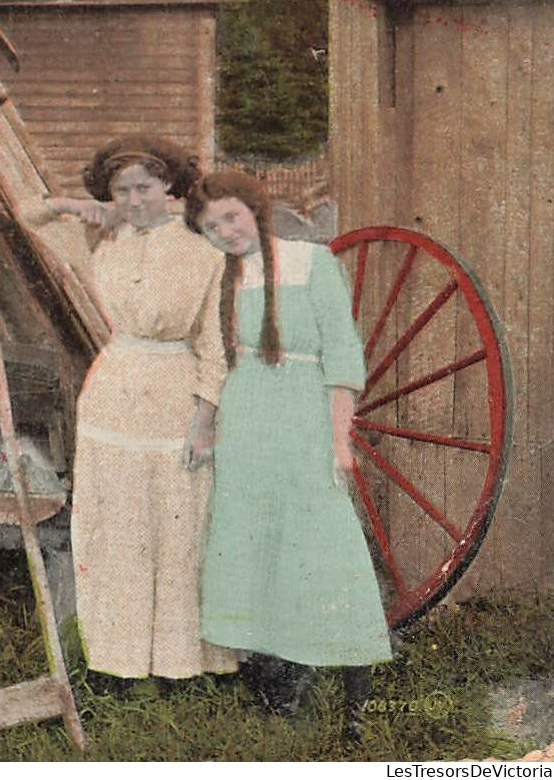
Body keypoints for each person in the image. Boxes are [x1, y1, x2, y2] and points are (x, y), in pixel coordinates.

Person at [184, 170, 391, 734]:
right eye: (210, 227)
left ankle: (353, 679)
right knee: (256, 540)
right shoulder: (222, 278)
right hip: (247, 416)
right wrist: (208, 428)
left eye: (231, 217)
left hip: (304, 413)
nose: (226, 232)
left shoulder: (311, 261)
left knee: (321, 539)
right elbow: (215, 358)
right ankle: (279, 683)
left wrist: (338, 437)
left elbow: (343, 353)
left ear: (254, 207)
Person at [34, 135, 237, 682]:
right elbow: (34, 218)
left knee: (177, 531)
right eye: (121, 190)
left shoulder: (204, 251)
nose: (134, 200)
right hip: (113, 393)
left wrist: (204, 420)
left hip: (173, 395)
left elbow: (214, 345)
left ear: (170, 185)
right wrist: (82, 207)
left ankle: (180, 664)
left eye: (144, 187)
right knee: (114, 529)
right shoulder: (105, 239)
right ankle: (116, 662)